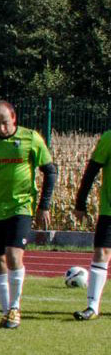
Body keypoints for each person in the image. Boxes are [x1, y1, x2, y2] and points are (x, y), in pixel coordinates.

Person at [0, 100, 56, 329]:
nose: (1, 128)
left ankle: (15, 308)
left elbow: (50, 171)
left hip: (21, 207)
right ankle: (6, 311)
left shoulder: (31, 139)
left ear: (14, 118)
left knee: (13, 254)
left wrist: (44, 205)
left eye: (4, 123)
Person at [72, 123, 111, 320]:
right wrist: (80, 202)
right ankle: (92, 307)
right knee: (101, 252)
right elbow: (91, 171)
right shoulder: (109, 138)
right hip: (110, 210)